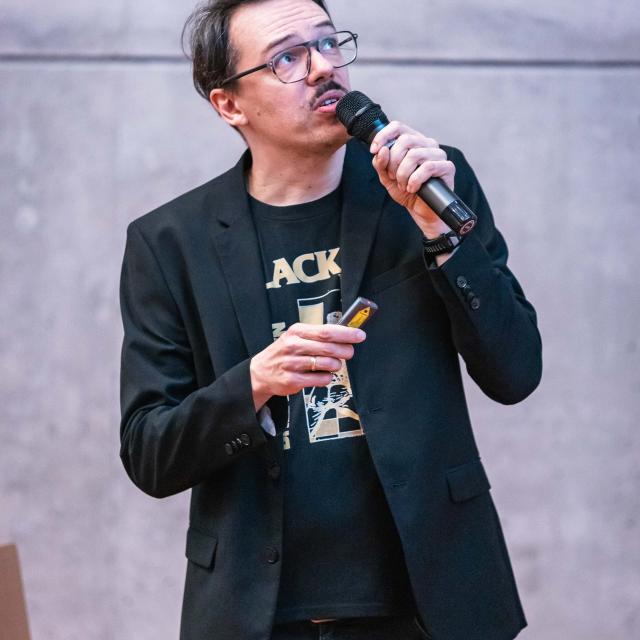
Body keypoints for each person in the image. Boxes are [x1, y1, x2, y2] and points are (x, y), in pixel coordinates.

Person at [118, 0, 542, 638]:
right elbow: (150, 452)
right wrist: (254, 383)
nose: (323, 67)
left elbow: (517, 372)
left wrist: (443, 240)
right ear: (228, 104)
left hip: (430, 603)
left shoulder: (426, 187)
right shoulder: (170, 243)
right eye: (287, 58)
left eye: (328, 43)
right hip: (257, 613)